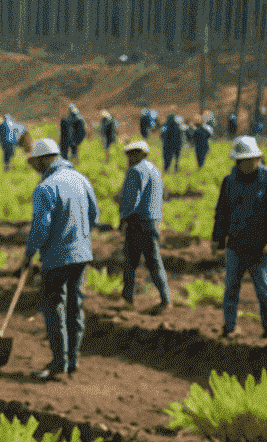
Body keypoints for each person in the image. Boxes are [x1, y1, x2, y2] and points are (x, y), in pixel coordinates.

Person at [22, 136, 99, 381]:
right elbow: (94, 215)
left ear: (45, 159)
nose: (33, 167)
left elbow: (41, 227)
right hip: (82, 254)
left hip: (57, 256)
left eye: (34, 162)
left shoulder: (44, 189)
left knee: (53, 306)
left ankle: (59, 362)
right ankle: (72, 360)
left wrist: (28, 255)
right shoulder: (82, 180)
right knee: (75, 305)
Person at [212, 135, 267, 341]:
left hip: (259, 248)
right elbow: (222, 212)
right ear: (238, 161)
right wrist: (217, 239)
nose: (248, 163)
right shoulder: (229, 182)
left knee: (264, 291)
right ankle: (229, 328)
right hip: (236, 245)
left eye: (251, 159)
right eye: (243, 160)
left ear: (258, 158)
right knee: (231, 290)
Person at [118, 140, 171, 312]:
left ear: (141, 154)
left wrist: (123, 219)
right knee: (153, 261)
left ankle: (128, 299)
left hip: (137, 223)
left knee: (131, 262)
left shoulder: (135, 171)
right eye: (128, 154)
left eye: (133, 154)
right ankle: (164, 298)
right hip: (153, 221)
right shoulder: (154, 169)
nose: (129, 157)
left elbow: (131, 200)